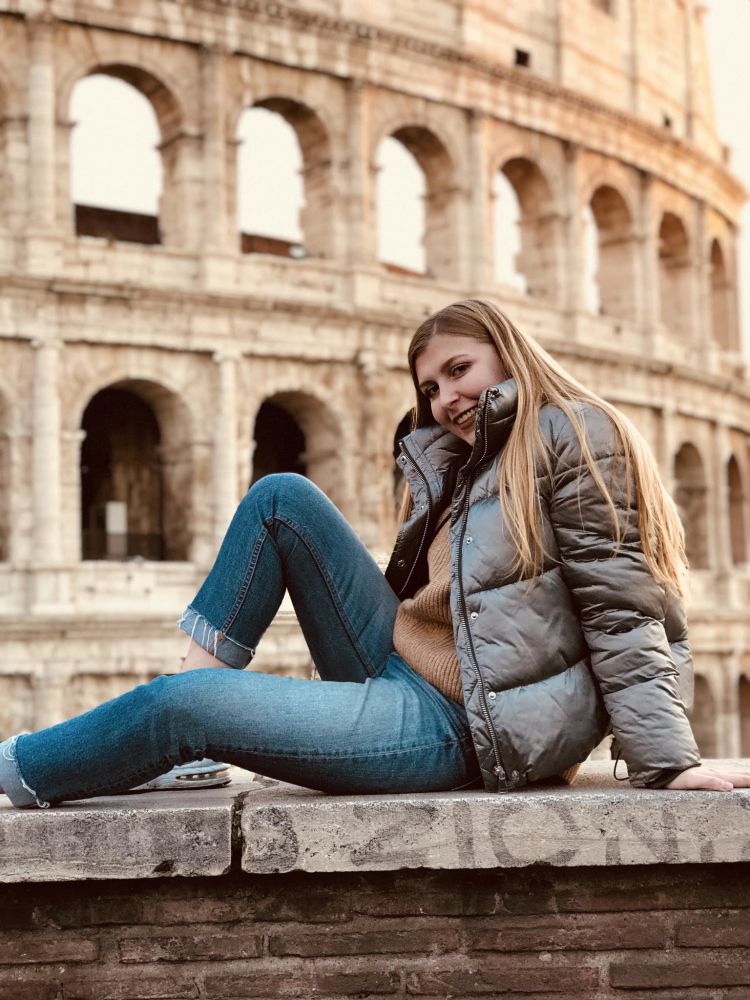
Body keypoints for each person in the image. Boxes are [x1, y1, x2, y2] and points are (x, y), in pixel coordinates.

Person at [1, 299, 747, 809]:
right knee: (281, 498)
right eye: (431, 387)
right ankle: (194, 745)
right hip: (399, 663)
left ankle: (15, 770)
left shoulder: (576, 436)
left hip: (461, 726)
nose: (446, 398)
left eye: (460, 370)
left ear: (510, 352)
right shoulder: (462, 461)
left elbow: (622, 609)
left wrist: (667, 761)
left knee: (180, 707)